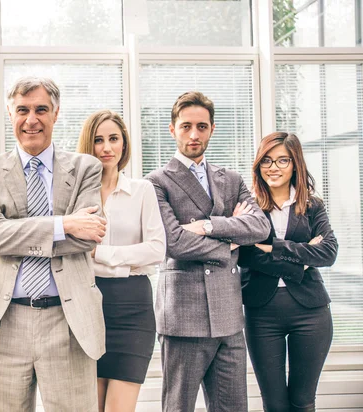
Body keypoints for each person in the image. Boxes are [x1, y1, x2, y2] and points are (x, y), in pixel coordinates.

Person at [0, 76, 107, 412]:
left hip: (68, 318)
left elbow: (88, 236)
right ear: (9, 112)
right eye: (22, 110)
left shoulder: (85, 167)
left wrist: (14, 233)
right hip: (6, 321)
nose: (31, 119)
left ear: (56, 113)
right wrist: (64, 224)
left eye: (40, 110)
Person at [144, 91, 270, 412]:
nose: (194, 134)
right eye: (186, 126)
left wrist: (209, 226)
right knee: (178, 407)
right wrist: (231, 238)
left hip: (229, 317)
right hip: (184, 317)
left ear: (212, 128)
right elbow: (175, 242)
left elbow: (259, 227)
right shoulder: (156, 182)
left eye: (201, 126)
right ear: (172, 129)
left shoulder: (231, 179)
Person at [239, 132, 337, 412]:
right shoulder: (248, 208)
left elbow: (329, 252)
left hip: (311, 313)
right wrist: (303, 257)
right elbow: (245, 255)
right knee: (275, 404)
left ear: (295, 164)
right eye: (267, 160)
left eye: (283, 160)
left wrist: (272, 249)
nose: (274, 167)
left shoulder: (312, 206)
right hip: (262, 314)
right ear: (259, 165)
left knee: (302, 403)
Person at [76, 109, 166, 412]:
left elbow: (157, 249)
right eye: (98, 140)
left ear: (124, 144)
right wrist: (127, 260)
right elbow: (69, 251)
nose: (106, 148)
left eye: (114, 139)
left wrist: (99, 254)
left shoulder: (142, 190)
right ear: (88, 146)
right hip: (86, 305)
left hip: (133, 308)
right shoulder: (75, 196)